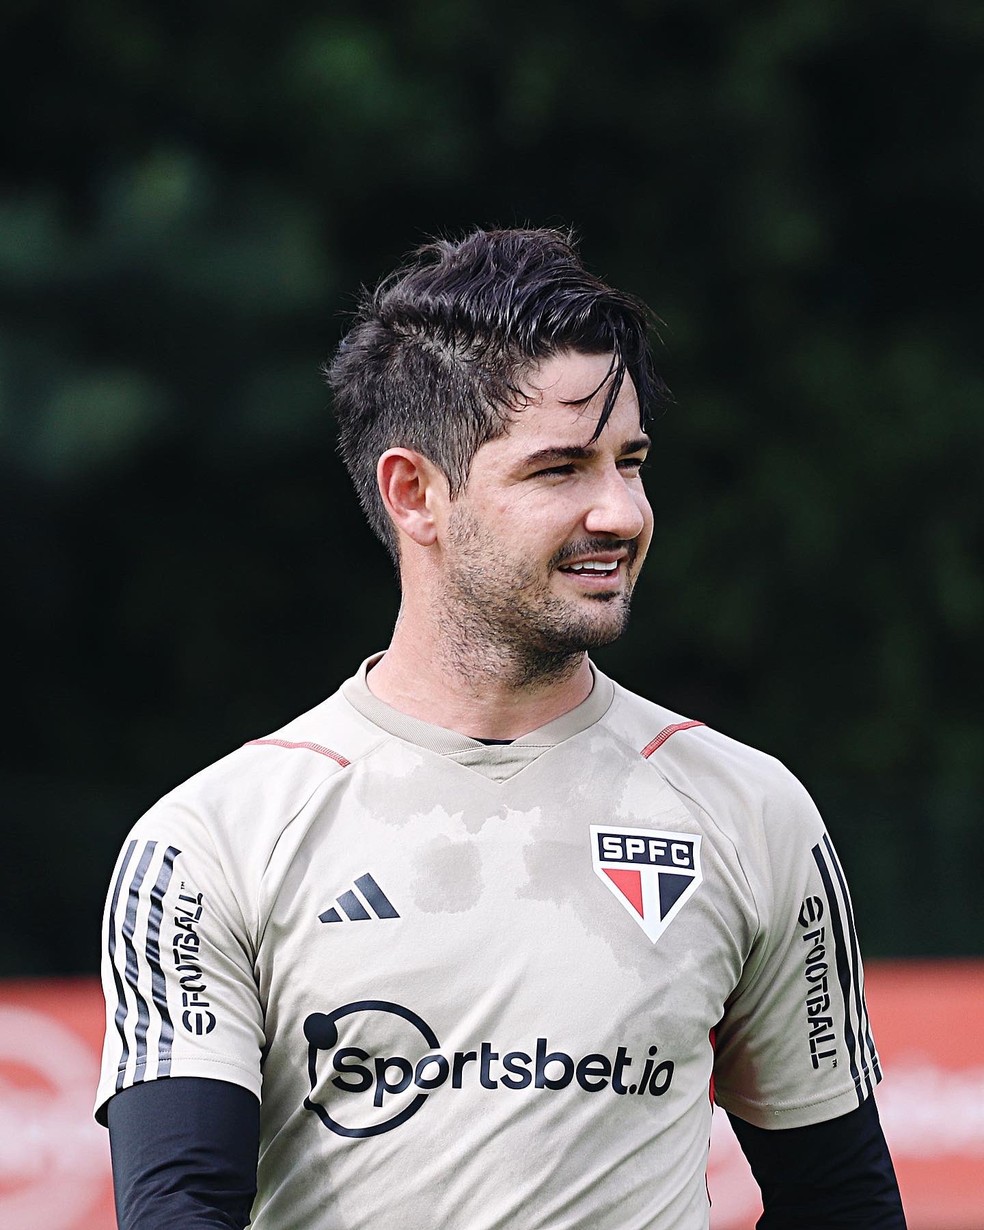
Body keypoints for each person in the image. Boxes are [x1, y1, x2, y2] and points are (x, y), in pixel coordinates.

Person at [96, 227, 906, 1229]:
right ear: (415, 495)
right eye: (560, 469)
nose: (621, 513)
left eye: (631, 462)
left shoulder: (749, 810)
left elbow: (843, 1204)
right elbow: (179, 1210)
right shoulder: (213, 839)